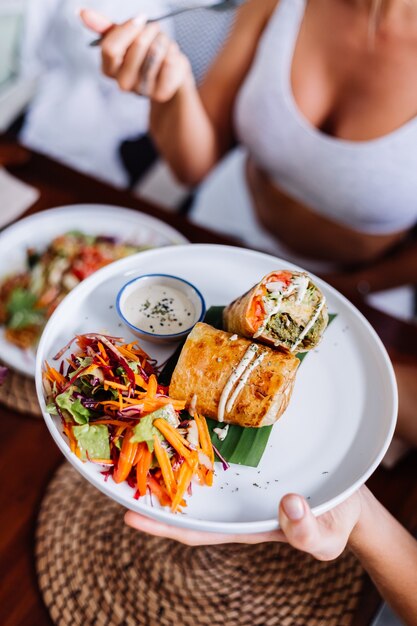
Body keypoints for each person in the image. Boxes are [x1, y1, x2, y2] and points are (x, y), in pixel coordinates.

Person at [79, 2, 417, 622]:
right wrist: (172, 87)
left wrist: (357, 284)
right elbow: (194, 162)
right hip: (225, 238)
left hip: (366, 290)